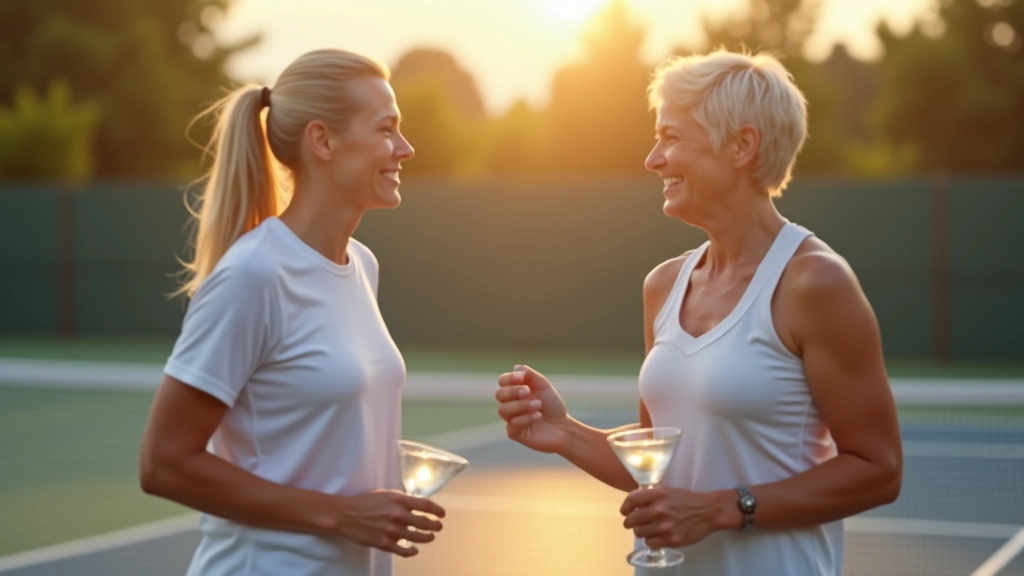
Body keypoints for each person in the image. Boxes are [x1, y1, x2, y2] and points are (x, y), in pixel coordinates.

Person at [495, 49, 903, 575]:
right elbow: (660, 463)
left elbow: (878, 470)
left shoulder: (815, 282)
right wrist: (566, 433)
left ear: (741, 145)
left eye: (671, 136)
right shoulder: (662, 285)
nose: (652, 158)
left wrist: (719, 510)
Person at [138, 48, 445, 576]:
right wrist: (340, 514)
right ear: (323, 140)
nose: (406, 148)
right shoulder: (253, 276)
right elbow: (163, 464)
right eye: (386, 129)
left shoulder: (362, 266)